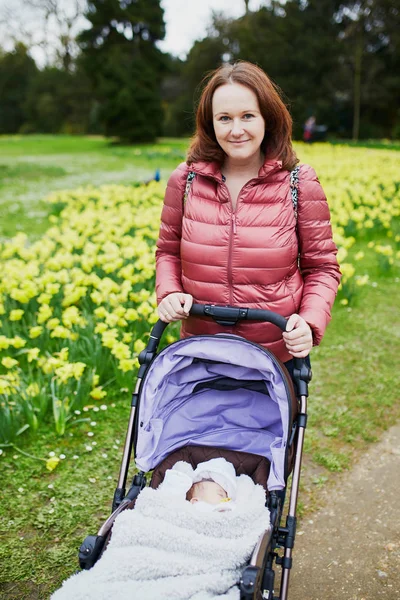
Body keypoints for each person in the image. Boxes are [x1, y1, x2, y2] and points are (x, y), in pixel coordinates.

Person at [155, 61, 341, 372]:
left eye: (248, 116)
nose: (236, 130)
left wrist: (309, 322)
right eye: (224, 118)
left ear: (267, 118)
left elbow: (322, 268)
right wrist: (170, 291)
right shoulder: (185, 180)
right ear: (210, 123)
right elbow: (167, 252)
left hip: (272, 360)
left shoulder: (299, 182)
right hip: (201, 354)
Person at [160, 457, 238, 512]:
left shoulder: (227, 508)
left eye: (225, 497)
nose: (226, 499)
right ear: (195, 502)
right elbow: (169, 499)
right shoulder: (198, 508)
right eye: (220, 494)